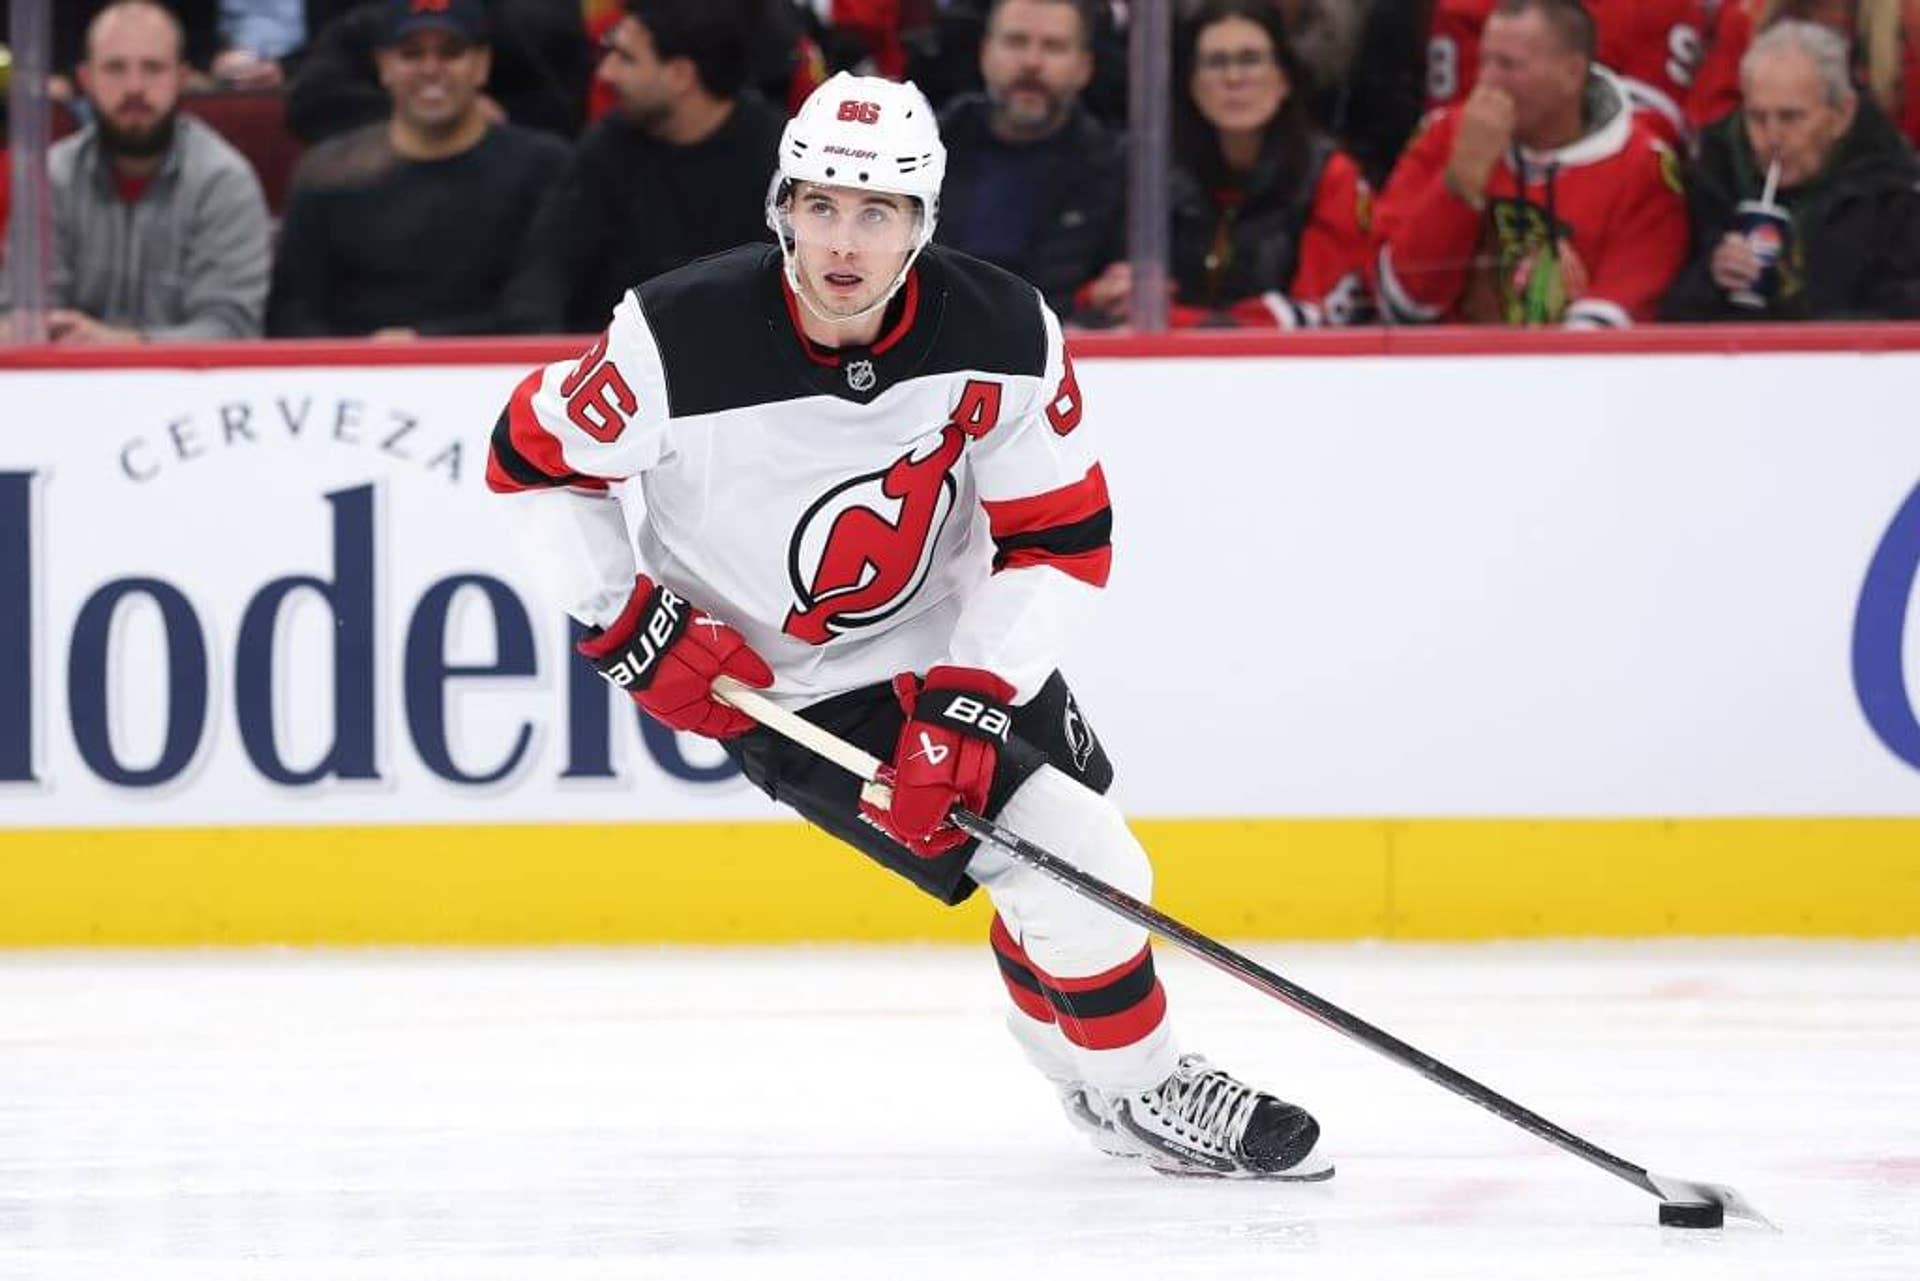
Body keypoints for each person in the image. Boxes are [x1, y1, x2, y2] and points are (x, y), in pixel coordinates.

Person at [483, 71, 1332, 1180]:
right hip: (794, 693)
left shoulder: (1004, 328)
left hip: (961, 638)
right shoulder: (671, 336)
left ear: (922, 223)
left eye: (878, 212)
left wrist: (970, 696)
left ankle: (1080, 1069)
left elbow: (1061, 539)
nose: (844, 241)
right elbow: (531, 465)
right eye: (822, 204)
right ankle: (1145, 1089)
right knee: (1084, 866)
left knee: (1068, 876)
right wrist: (628, 623)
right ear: (780, 206)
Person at [1373, 0, 1689, 327]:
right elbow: (1402, 303)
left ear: (1572, 74)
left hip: (1577, 373)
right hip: (1444, 370)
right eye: (1485, 61)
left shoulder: (1642, 166)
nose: (1488, 81)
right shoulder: (1443, 135)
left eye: (1509, 66)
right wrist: (1456, 190)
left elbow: (1618, 319)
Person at [266, 0, 567, 337]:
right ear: (383, 65)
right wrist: (363, 355)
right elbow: (290, 315)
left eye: (450, 52)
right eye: (411, 54)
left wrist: (424, 345)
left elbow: (536, 309)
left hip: (494, 378)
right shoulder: (325, 173)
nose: (430, 68)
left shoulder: (543, 169)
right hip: (345, 381)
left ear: (482, 64)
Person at [1083, 0, 1373, 328]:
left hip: (1286, 372)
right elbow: (1077, 283)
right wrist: (1104, 294)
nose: (1233, 78)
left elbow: (1320, 311)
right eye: (1215, 62)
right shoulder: (1149, 168)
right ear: (1191, 82)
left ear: (1284, 78)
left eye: (1250, 60)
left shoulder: (1330, 175)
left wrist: (1176, 320)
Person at [505, 0, 784, 334]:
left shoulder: (780, 158)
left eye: (626, 58)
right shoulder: (609, 146)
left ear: (680, 74)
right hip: (616, 362)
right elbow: (545, 269)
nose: (606, 73)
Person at [0, 0, 271, 342]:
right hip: (67, 386)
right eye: (115, 68)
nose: (134, 87)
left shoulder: (224, 181)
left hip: (189, 391)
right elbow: (23, 315)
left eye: (153, 68)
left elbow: (233, 329)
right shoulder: (51, 178)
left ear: (182, 78)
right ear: (86, 79)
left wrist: (125, 345)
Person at [1662, 20, 1920, 319]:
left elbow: (1903, 313)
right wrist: (1710, 278)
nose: (1772, 137)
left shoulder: (1893, 193)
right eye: (1757, 117)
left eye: (1791, 117)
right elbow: (1668, 312)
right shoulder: (1714, 178)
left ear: (1841, 115)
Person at [934, 0, 1126, 321]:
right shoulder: (924, 150)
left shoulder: (1119, 172)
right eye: (1016, 42)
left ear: (1084, 68)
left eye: (1053, 47)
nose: (1031, 62)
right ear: (985, 54)